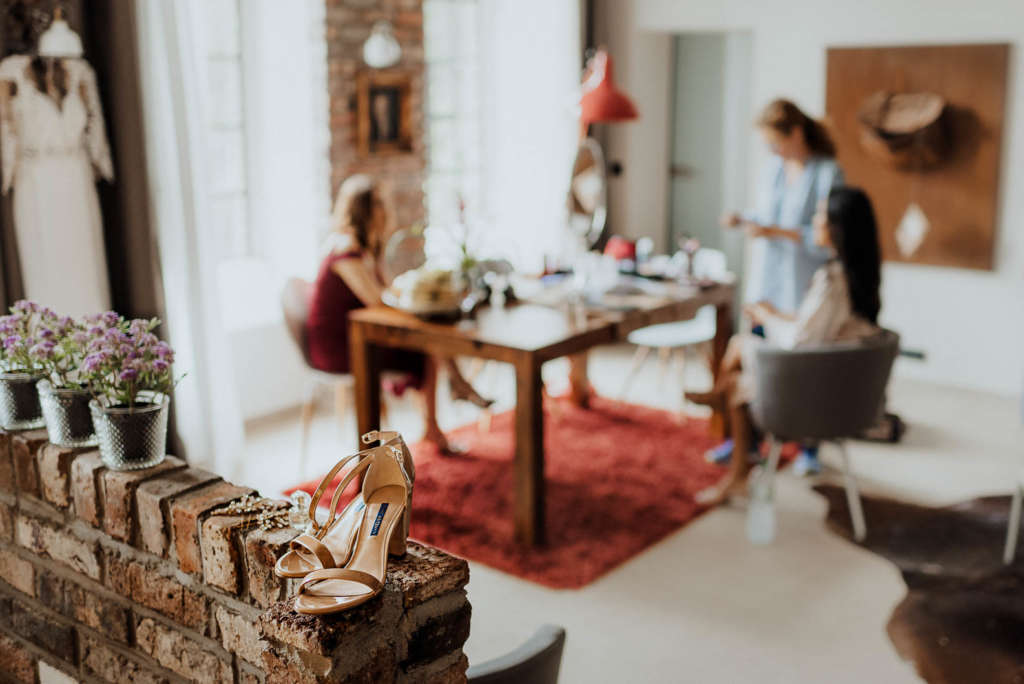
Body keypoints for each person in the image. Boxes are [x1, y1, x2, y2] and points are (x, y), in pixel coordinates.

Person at [689, 186, 883, 505]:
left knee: (740, 363)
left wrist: (767, 317)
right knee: (741, 359)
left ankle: (720, 403)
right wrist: (779, 314)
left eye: (820, 215)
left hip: (815, 397)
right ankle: (722, 410)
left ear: (837, 227)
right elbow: (821, 328)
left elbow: (801, 341)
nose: (814, 221)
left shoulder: (833, 280)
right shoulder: (859, 278)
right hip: (841, 389)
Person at [305, 174, 490, 453]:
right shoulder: (346, 250)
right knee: (425, 345)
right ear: (364, 210)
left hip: (356, 335)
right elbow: (376, 300)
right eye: (379, 204)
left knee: (426, 338)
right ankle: (445, 409)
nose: (385, 209)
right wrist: (412, 301)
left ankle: (449, 400)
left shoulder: (359, 246)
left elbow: (384, 291)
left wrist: (414, 294)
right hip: (338, 346)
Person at [714, 98, 845, 474]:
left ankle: (809, 449)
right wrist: (744, 220)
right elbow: (765, 216)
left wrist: (773, 231)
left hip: (802, 287)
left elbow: (826, 238)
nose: (772, 150)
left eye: (776, 141)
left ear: (796, 133)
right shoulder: (772, 169)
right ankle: (748, 441)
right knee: (756, 365)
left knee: (803, 371)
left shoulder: (827, 173)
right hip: (766, 283)